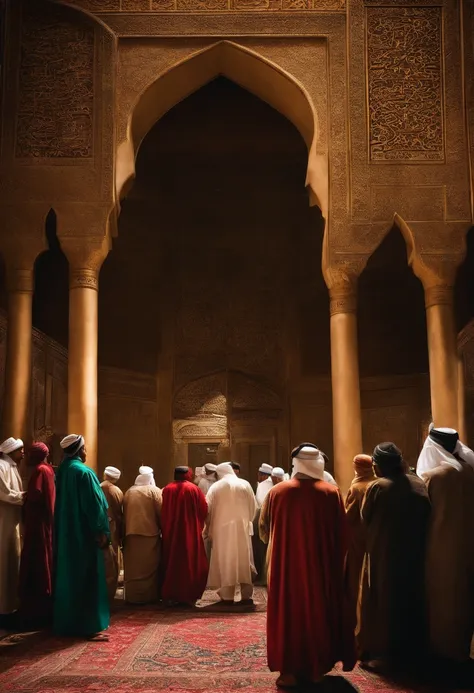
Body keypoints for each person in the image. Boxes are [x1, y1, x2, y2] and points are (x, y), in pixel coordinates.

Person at [260, 443, 355, 687]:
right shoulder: (330, 492)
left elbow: (266, 529)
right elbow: (342, 535)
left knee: (288, 613)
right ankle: (317, 669)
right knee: (318, 610)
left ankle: (288, 670)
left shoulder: (277, 492)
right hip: (319, 568)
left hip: (286, 567)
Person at [359, 442, 431, 668]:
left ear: (379, 466)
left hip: (385, 554)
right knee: (413, 598)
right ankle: (414, 652)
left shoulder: (378, 486)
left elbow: (364, 517)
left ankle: (386, 656)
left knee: (385, 602)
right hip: (417, 553)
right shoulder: (419, 483)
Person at [417, 426, 474, 664]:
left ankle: (443, 659)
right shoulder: (470, 472)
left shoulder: (434, 477)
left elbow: (420, 517)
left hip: (439, 551)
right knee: (464, 600)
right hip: (469, 550)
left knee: (443, 605)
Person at [53, 434, 110, 640]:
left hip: (66, 533)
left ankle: (67, 623)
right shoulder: (84, 472)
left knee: (68, 576)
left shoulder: (63, 472)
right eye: (85, 449)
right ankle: (90, 626)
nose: (86, 452)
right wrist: (101, 531)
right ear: (79, 450)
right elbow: (95, 507)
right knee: (88, 577)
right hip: (84, 535)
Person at [205, 463, 257, 604]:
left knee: (225, 559)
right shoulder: (245, 484)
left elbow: (207, 508)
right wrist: (246, 521)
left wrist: (208, 526)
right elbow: (253, 507)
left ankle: (227, 595)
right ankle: (246, 594)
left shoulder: (216, 487)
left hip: (221, 530)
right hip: (242, 528)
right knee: (243, 559)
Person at [19, 442, 55, 628]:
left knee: (38, 563)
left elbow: (35, 495)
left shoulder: (40, 471)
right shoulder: (47, 470)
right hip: (43, 524)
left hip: (37, 525)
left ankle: (35, 612)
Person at [161, 466, 208, 605]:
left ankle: (172, 594)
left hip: (171, 531)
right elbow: (203, 509)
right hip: (190, 531)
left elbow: (162, 510)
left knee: (172, 560)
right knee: (189, 561)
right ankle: (189, 594)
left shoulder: (167, 489)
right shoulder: (193, 489)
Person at [344, 454, 376, 641]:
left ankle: (357, 629)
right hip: (374, 539)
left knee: (357, 583)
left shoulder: (356, 487)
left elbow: (348, 517)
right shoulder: (377, 482)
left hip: (357, 542)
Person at [123, 465, 162, 604]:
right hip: (149, 534)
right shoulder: (154, 491)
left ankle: (133, 597)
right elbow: (161, 512)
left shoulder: (129, 491)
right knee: (149, 568)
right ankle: (148, 597)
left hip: (130, 533)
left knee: (134, 568)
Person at [0, 437, 25, 627]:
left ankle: (10, 607)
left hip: (12, 521)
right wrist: (27, 496)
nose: (23, 453)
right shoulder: (2, 466)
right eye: (20, 450)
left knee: (11, 563)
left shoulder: (12, 466)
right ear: (11, 451)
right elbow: (5, 492)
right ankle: (4, 610)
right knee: (4, 564)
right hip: (4, 521)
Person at [100, 466, 123, 602]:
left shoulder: (98, 487)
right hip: (112, 528)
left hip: (99, 527)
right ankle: (109, 593)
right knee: (112, 561)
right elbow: (119, 514)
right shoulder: (116, 491)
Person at [253, 463, 273, 586]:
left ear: (263, 475)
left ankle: (263, 576)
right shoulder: (268, 484)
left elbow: (260, 504)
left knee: (262, 548)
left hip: (263, 520)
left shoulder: (264, 485)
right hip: (269, 520)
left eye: (259, 475)